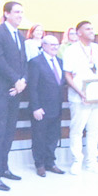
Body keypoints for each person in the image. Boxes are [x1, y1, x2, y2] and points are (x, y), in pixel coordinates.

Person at [0, 2, 29, 192]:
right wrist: (16, 79)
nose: (20, 15)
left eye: (22, 12)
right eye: (17, 12)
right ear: (6, 14)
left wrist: (23, 80)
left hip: (15, 90)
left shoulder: (20, 36)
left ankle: (4, 168)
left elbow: (24, 62)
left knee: (9, 132)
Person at [63, 21, 98, 175]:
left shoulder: (97, 49)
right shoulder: (71, 50)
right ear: (79, 33)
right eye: (88, 29)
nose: (92, 31)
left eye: (92, 28)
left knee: (94, 130)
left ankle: (92, 162)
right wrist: (80, 92)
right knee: (77, 130)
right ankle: (77, 161)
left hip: (97, 96)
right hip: (79, 97)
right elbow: (67, 75)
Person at [27, 33, 69, 177]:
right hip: (41, 108)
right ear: (44, 45)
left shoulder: (60, 62)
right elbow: (32, 87)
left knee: (53, 136)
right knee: (39, 137)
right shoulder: (35, 62)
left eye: (57, 45)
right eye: (52, 45)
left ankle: (50, 163)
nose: (55, 47)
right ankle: (40, 164)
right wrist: (35, 107)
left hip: (56, 107)